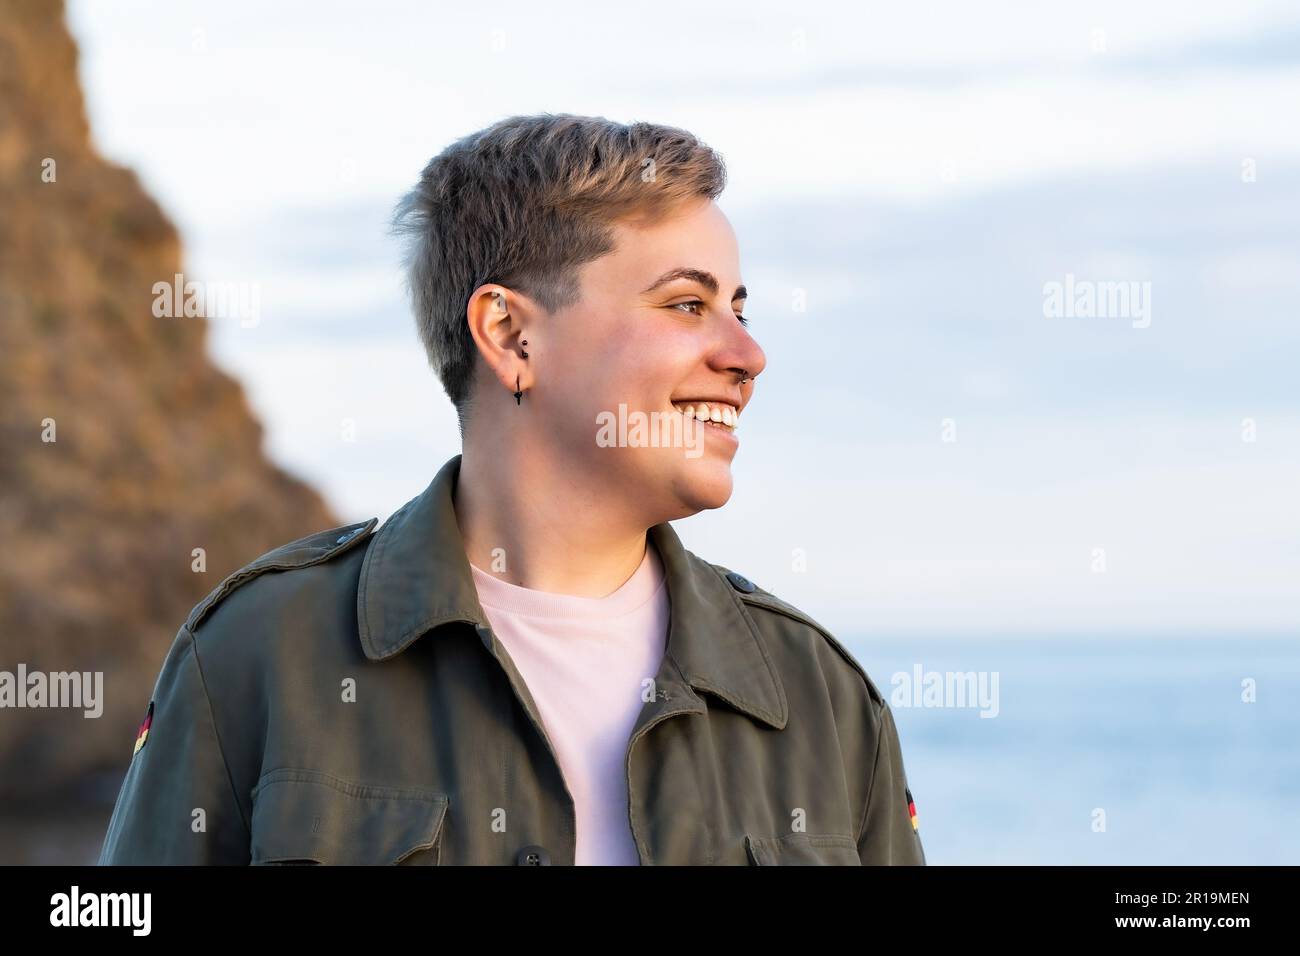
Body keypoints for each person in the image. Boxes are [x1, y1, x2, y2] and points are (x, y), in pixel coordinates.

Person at [97, 113, 926, 865]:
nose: (747, 356)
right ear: (510, 334)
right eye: (686, 304)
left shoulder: (820, 697)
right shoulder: (259, 653)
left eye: (739, 309)